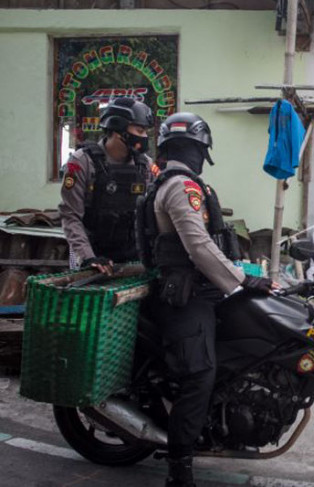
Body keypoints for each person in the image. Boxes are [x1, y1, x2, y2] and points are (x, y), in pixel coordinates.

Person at [136, 112, 277, 487]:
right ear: (199, 150)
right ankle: (179, 467)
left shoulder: (187, 185)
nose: (195, 154)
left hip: (205, 290)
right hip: (186, 296)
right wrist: (242, 280)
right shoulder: (182, 187)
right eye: (195, 149)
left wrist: (249, 275)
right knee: (200, 373)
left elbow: (214, 245)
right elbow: (198, 247)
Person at [59, 97, 155, 275]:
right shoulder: (81, 162)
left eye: (145, 131)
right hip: (90, 251)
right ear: (118, 128)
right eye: (139, 130)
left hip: (131, 254)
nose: (143, 137)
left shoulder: (146, 165)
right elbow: (70, 215)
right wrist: (87, 257)